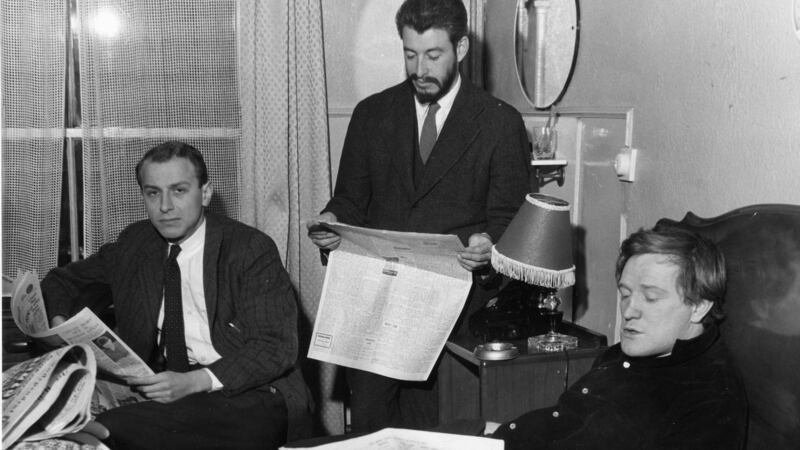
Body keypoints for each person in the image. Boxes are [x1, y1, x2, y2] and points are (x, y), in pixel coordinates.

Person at [307, 0, 530, 433]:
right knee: (372, 430)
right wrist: (333, 221)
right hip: (377, 303)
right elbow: (351, 199)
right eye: (410, 54)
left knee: (432, 433)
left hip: (455, 314)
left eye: (433, 55)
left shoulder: (501, 124)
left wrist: (489, 248)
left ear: (461, 48)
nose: (419, 69)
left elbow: (508, 221)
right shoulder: (371, 115)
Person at [41, 141, 311, 449]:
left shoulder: (249, 248)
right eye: (153, 192)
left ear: (205, 193)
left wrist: (194, 382)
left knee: (114, 429)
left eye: (179, 190)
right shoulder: (136, 243)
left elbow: (275, 347)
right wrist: (60, 325)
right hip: (168, 390)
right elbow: (60, 282)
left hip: (249, 391)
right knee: (59, 414)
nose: (165, 206)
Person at [491, 225, 748, 449]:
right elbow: (566, 424)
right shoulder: (628, 352)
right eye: (625, 294)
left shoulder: (710, 403)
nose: (629, 311)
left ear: (699, 306)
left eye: (651, 297)